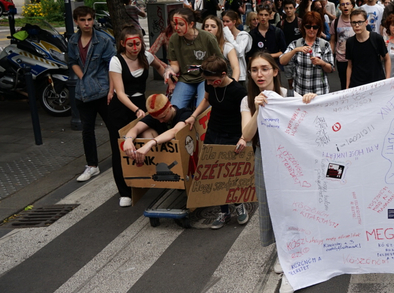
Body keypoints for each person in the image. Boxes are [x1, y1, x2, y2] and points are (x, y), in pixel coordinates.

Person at [239, 51, 317, 293]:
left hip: (292, 160)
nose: (259, 74)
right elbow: (247, 135)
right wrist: (257, 109)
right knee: (273, 206)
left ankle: (302, 248)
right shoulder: (247, 101)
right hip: (265, 158)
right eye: (254, 70)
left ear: (275, 71)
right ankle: (282, 254)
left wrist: (311, 100)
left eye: (264, 68)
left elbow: (311, 125)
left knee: (296, 204)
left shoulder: (289, 96)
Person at [107, 26, 171, 206]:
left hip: (142, 104)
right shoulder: (116, 61)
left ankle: (157, 176)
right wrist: (136, 110)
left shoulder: (146, 56)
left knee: (155, 134)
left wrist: (168, 77)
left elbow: (161, 67)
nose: (135, 47)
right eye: (131, 44)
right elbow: (119, 92)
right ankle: (125, 191)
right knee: (119, 147)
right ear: (122, 44)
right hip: (121, 107)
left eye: (138, 43)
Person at [184, 56, 250, 229]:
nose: (211, 83)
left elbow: (247, 113)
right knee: (215, 174)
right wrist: (193, 116)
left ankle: (238, 204)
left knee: (230, 173)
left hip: (232, 134)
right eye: (208, 81)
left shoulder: (238, 91)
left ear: (223, 74)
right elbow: (206, 99)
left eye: (214, 80)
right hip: (213, 132)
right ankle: (224, 212)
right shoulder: (209, 83)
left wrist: (243, 137)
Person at [67, 6, 116, 182]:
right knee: (87, 130)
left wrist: (112, 90)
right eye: (83, 20)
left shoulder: (103, 40)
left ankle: (119, 161)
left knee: (113, 128)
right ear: (76, 21)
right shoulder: (73, 40)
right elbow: (72, 60)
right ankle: (92, 165)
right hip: (83, 92)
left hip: (103, 91)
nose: (87, 23)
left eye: (89, 19)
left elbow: (113, 66)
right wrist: (82, 77)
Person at [164, 8, 224, 109]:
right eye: (174, 24)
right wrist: (170, 70)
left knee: (202, 108)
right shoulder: (174, 39)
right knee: (174, 108)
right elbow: (175, 65)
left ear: (191, 24)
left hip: (205, 78)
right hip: (186, 79)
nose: (177, 27)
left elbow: (220, 62)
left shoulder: (208, 38)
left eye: (181, 24)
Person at [279, 11, 335, 95]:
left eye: (315, 27)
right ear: (303, 27)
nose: (311, 30)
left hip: (319, 91)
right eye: (308, 26)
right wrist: (295, 50)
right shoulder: (296, 44)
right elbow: (282, 61)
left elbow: (331, 69)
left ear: (319, 28)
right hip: (300, 91)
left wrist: (322, 63)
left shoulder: (324, 45)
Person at [345, 9, 391, 87]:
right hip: (357, 84)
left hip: (376, 82)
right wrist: (347, 87)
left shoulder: (376, 38)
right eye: (354, 22)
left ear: (366, 22)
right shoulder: (350, 42)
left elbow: (387, 59)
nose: (357, 25)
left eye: (360, 22)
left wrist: (387, 79)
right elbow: (350, 65)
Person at [202, 15, 240, 84]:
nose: (209, 29)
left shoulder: (227, 46)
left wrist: (233, 85)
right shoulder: (200, 46)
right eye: (206, 26)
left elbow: (235, 68)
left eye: (213, 26)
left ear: (219, 29)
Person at [331, 0, 356, 88]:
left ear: (352, 6)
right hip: (341, 58)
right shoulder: (336, 22)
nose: (345, 6)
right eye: (343, 4)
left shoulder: (357, 21)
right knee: (344, 84)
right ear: (339, 7)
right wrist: (331, 59)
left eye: (347, 4)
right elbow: (332, 41)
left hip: (356, 59)